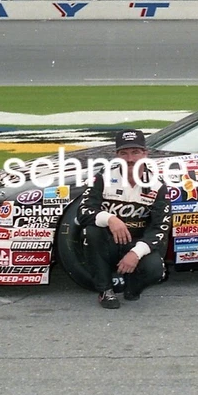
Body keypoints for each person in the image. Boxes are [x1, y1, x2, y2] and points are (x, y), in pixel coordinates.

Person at [77, 129, 171, 309]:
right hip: (108, 243)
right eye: (124, 153)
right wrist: (110, 219)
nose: (130, 159)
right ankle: (105, 290)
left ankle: (132, 289)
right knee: (92, 232)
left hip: (136, 243)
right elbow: (83, 211)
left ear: (145, 154)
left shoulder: (158, 184)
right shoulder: (103, 176)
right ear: (116, 155)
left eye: (135, 152)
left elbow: (160, 227)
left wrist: (136, 253)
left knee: (156, 270)